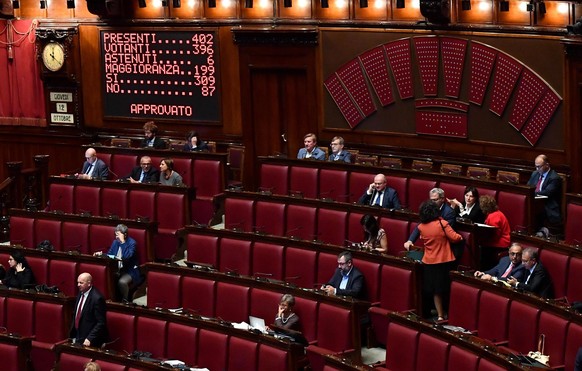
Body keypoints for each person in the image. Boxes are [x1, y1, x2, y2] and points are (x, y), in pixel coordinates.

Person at [408, 201, 462, 321]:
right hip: (444, 261)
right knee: (446, 289)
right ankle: (448, 313)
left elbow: (422, 238)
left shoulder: (421, 226)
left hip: (429, 261)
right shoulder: (442, 224)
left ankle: (439, 315)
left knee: (435, 290)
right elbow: (455, 238)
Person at [95, 224, 141, 302]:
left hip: (129, 270)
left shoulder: (132, 243)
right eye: (116, 235)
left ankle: (125, 301)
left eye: (118, 235)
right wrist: (102, 254)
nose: (116, 237)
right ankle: (113, 300)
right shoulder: (115, 242)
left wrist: (123, 243)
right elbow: (110, 255)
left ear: (125, 235)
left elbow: (126, 257)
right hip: (117, 269)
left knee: (122, 282)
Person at [527, 154, 562, 235]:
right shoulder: (535, 174)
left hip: (548, 206)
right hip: (535, 202)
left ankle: (537, 231)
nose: (537, 169)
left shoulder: (554, 178)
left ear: (547, 165)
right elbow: (528, 187)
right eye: (536, 166)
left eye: (539, 166)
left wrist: (532, 193)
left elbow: (547, 193)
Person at [70, 272, 108, 347]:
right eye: (77, 282)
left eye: (81, 283)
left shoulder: (97, 298)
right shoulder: (81, 292)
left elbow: (101, 322)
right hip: (78, 335)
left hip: (90, 340)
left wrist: (90, 338)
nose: (78, 285)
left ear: (89, 283)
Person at [479, 195, 511, 269]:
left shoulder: (494, 216)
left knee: (482, 248)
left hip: (501, 243)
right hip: (500, 241)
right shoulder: (497, 213)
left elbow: (494, 235)